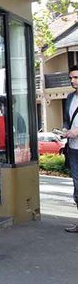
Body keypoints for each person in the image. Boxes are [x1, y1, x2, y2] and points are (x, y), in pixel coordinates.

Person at [63, 65, 78, 233]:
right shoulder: (69, 98)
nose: (73, 81)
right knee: (77, 185)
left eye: (76, 77)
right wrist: (64, 130)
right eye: (71, 78)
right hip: (73, 149)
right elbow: (67, 120)